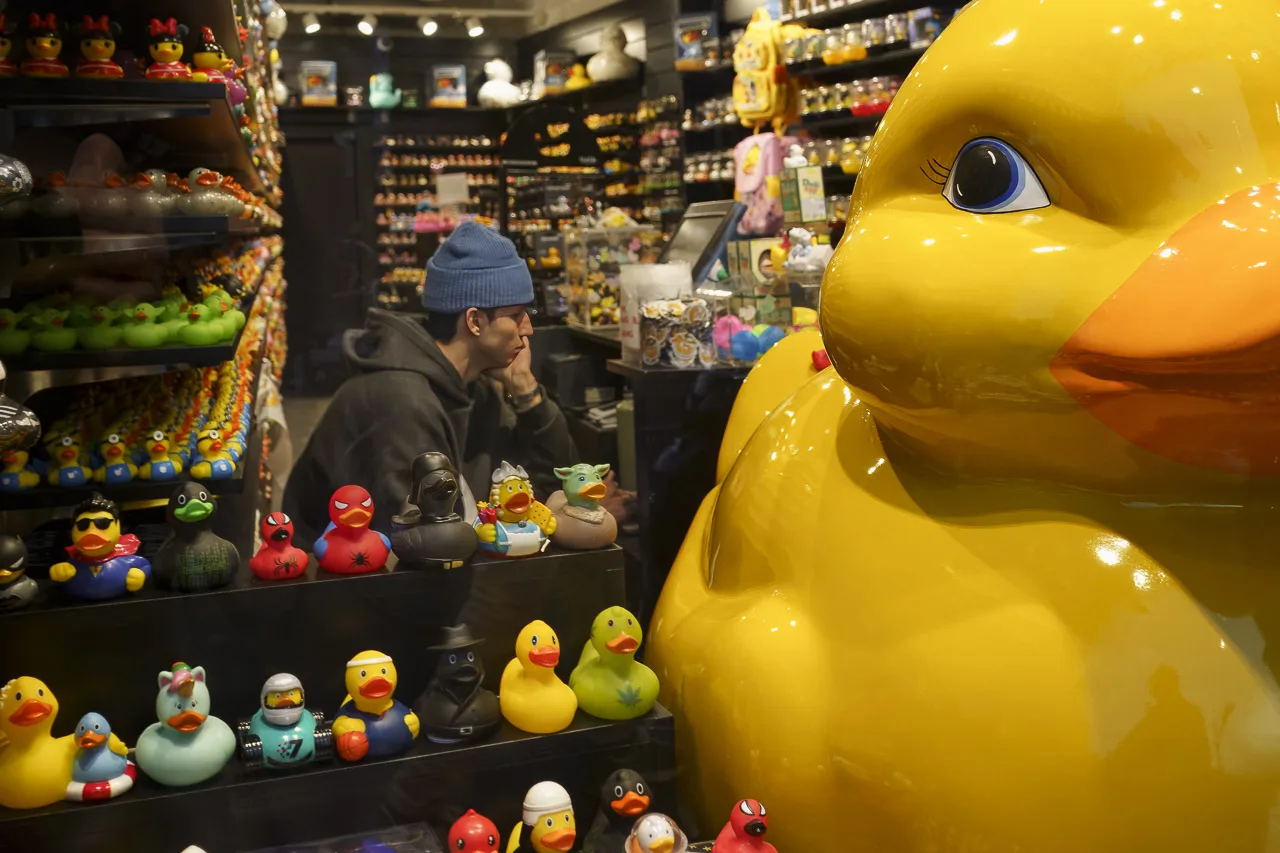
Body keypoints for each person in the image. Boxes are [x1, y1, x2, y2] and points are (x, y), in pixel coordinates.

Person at [284, 221, 578, 544]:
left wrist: (526, 392)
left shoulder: (475, 390)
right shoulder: (400, 404)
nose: (528, 329)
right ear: (475, 321)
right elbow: (421, 547)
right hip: (343, 587)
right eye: (518, 314)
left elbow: (540, 496)